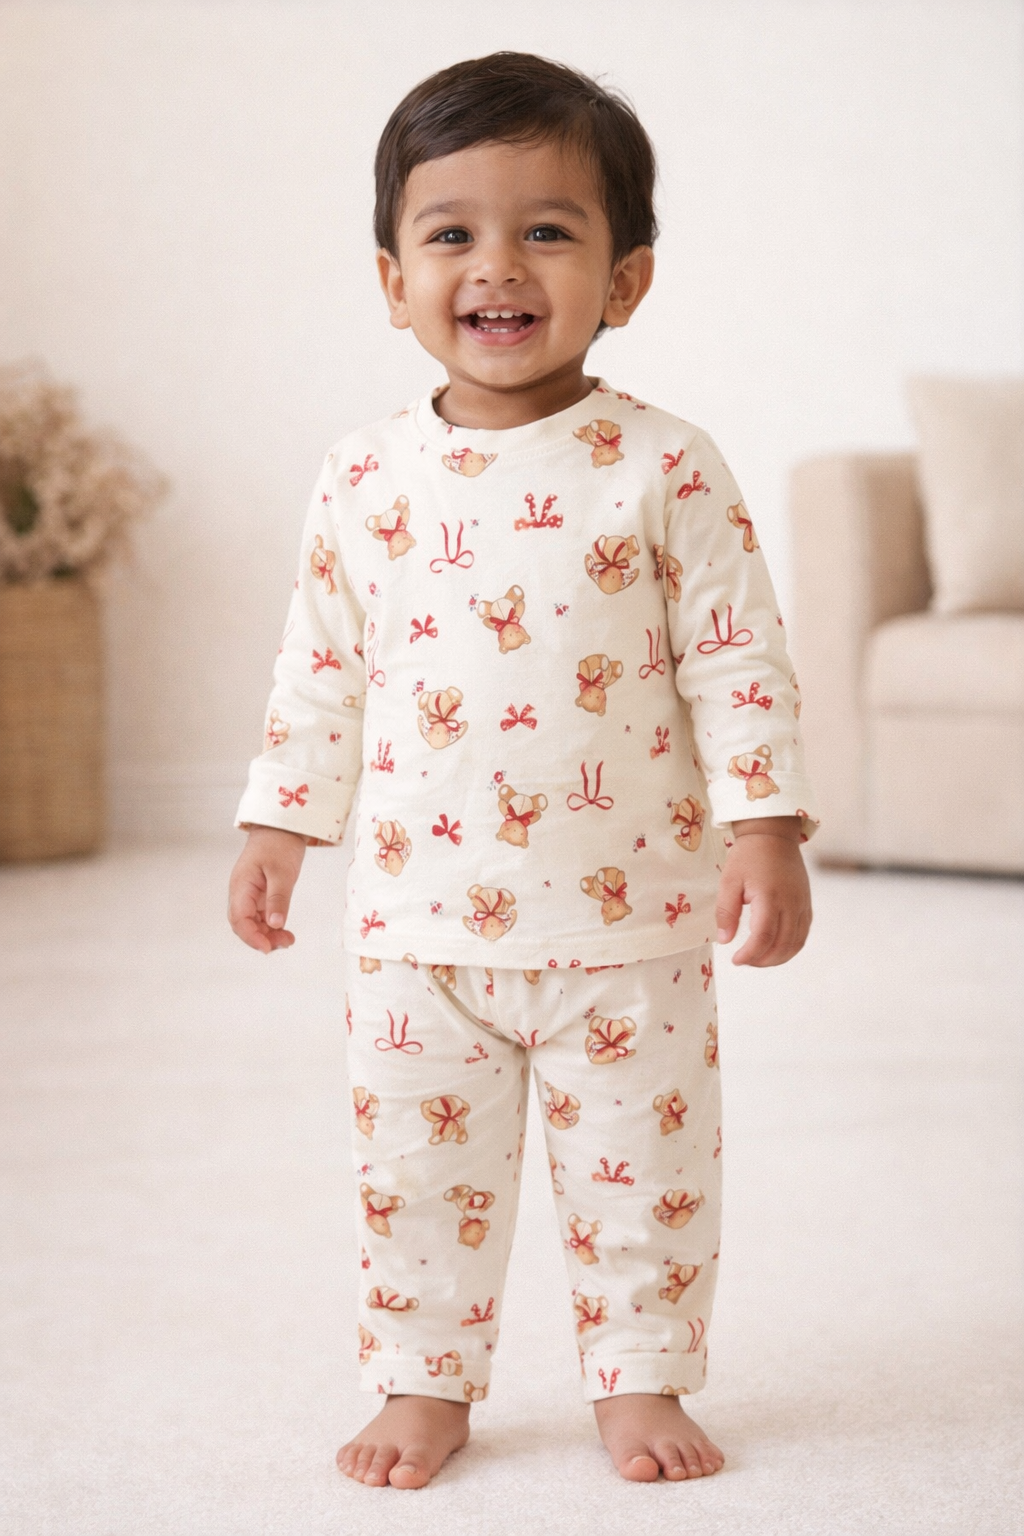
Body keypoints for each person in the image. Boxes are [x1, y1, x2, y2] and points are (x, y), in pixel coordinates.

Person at [228, 51, 818, 1491]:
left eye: (548, 229)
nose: (497, 265)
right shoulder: (365, 477)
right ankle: (422, 1381)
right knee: (416, 1172)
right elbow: (322, 664)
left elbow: (735, 655)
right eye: (453, 233)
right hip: (418, 925)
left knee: (650, 1174)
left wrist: (767, 824)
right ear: (394, 281)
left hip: (629, 923)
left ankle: (643, 1375)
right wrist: (280, 823)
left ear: (628, 279)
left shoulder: (665, 466)